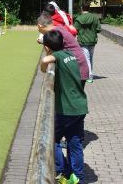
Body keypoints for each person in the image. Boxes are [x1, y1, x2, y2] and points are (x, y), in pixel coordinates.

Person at [40, 30, 87, 184]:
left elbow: (46, 60)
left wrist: (44, 57)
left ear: (47, 47)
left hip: (67, 108)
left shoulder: (58, 56)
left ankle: (61, 171)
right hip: (80, 106)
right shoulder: (70, 55)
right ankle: (78, 177)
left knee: (52, 139)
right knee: (75, 142)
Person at [37, 13, 90, 88]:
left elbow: (50, 51)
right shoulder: (57, 29)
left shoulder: (55, 32)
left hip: (76, 68)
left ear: (40, 25)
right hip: (76, 66)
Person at [75, 3, 101, 83]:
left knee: (86, 59)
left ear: (82, 8)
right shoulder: (95, 18)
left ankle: (89, 76)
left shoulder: (79, 18)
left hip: (82, 41)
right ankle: (90, 74)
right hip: (92, 41)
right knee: (90, 58)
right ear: (89, 8)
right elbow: (99, 29)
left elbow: (75, 29)